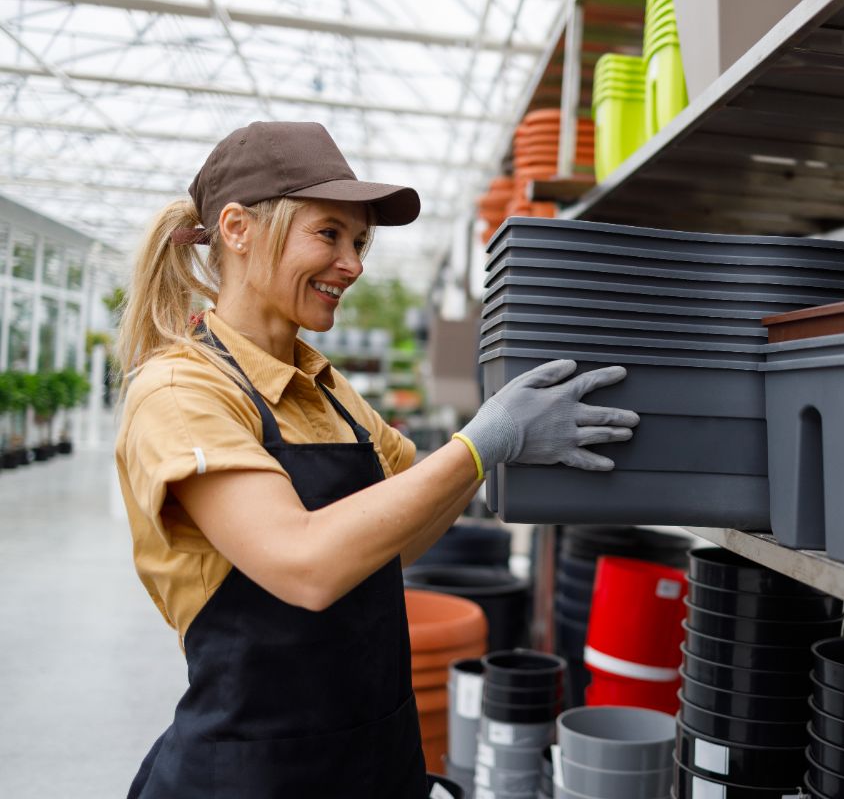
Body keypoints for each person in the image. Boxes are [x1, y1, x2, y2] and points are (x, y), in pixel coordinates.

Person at [114, 121, 639, 798]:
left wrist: (499, 454)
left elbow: (400, 540)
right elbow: (304, 565)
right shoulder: (183, 390)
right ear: (238, 229)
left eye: (358, 242)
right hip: (254, 776)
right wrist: (482, 443)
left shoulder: (326, 390)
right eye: (328, 234)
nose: (354, 264)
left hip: (373, 762)